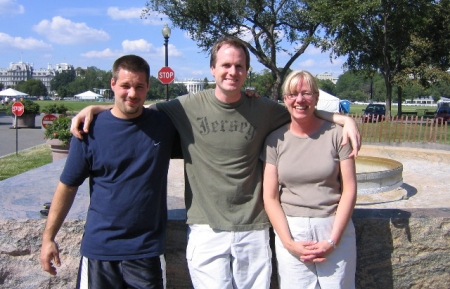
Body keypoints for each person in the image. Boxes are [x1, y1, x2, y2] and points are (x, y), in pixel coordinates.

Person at [71, 36, 360, 289]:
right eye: (225, 65)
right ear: (213, 69)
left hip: (253, 227)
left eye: (238, 66)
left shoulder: (264, 109)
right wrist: (97, 108)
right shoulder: (186, 107)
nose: (232, 72)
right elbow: (135, 108)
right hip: (206, 228)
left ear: (247, 71)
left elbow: (300, 107)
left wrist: (342, 118)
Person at [40, 55, 179, 289]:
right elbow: (68, 185)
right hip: (99, 249)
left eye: (139, 87)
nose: (132, 93)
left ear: (148, 88)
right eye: (125, 85)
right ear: (113, 84)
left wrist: (248, 100)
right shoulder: (89, 129)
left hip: (146, 251)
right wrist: (48, 238)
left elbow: (210, 106)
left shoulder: (163, 125)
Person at [260, 70, 357, 289]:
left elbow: (349, 190)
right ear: (285, 99)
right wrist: (288, 243)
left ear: (316, 97)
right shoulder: (275, 140)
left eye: (306, 93)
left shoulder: (338, 135)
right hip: (292, 230)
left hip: (333, 226)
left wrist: (333, 240)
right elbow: (270, 196)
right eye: (293, 94)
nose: (299, 100)